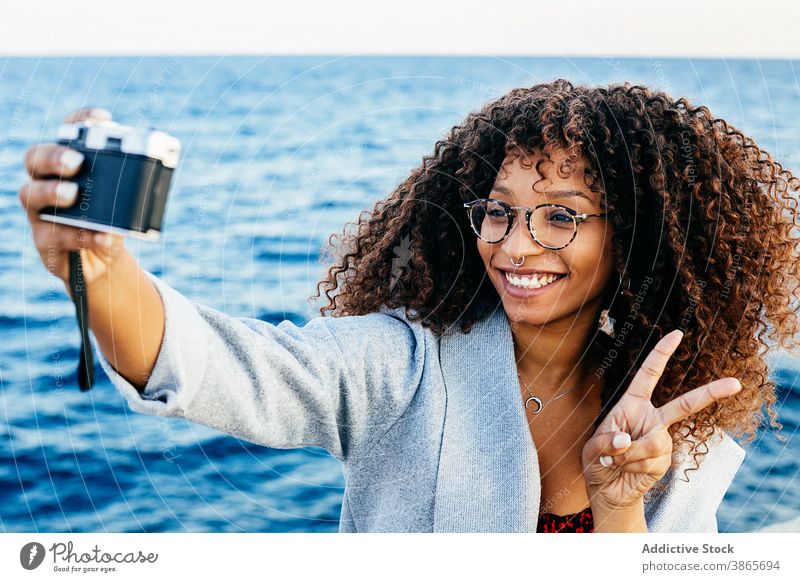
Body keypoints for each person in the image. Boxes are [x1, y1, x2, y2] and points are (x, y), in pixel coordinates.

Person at [19, 79, 800, 533]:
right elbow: (217, 363)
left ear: (634, 240)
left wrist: (618, 503)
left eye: (561, 216)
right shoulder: (403, 367)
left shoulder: (678, 417)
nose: (516, 245)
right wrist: (97, 266)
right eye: (497, 211)